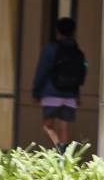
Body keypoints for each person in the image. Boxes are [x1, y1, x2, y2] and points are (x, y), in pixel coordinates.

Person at [30, 17, 86, 148]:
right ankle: (64, 158)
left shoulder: (50, 49)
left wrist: (36, 92)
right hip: (70, 95)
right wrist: (77, 95)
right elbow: (80, 74)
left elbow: (42, 71)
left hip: (52, 93)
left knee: (47, 125)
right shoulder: (77, 51)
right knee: (64, 128)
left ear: (58, 31)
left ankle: (59, 148)